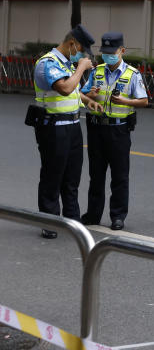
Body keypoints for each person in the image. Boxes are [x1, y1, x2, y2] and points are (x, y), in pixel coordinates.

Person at [31, 25, 99, 239]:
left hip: (72, 127)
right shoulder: (48, 63)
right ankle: (49, 221)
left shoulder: (68, 64)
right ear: (72, 44)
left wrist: (88, 100)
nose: (83, 55)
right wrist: (81, 68)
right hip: (53, 128)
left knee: (72, 177)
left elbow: (75, 93)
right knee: (53, 175)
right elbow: (65, 88)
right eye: (82, 50)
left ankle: (72, 219)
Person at [79, 33, 148, 231]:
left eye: (112, 52)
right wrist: (89, 95)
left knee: (119, 176)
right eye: (105, 53)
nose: (108, 56)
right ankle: (93, 214)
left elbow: (143, 101)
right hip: (97, 128)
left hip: (119, 130)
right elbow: (82, 95)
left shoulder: (132, 74)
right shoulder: (97, 71)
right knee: (96, 174)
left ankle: (118, 216)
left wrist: (126, 102)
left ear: (122, 51)